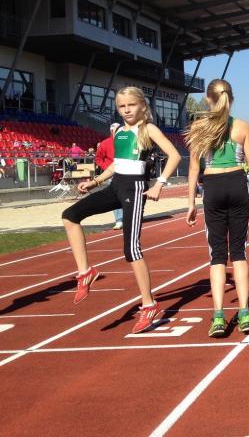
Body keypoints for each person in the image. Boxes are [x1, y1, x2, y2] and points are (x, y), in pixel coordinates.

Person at [61, 87, 181, 333]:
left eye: (131, 105)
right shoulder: (119, 132)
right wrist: (95, 181)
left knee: (132, 249)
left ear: (142, 106)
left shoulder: (148, 129)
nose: (126, 110)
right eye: (121, 106)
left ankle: (149, 304)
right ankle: (85, 272)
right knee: (70, 216)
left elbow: (174, 155)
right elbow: (116, 164)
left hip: (134, 189)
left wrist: (159, 184)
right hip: (115, 186)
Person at [185, 79, 249, 337]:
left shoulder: (199, 127)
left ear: (208, 99)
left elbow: (193, 169)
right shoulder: (242, 126)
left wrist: (190, 203)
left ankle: (219, 316)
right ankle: (244, 313)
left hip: (213, 187)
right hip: (237, 185)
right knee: (239, 253)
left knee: (217, 256)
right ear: (231, 99)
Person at [95, 123, 124, 230]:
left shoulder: (126, 141)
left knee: (127, 196)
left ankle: (128, 217)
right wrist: (107, 168)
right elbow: (98, 159)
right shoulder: (105, 143)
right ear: (111, 131)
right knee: (115, 197)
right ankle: (119, 220)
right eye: (115, 130)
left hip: (126, 173)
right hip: (112, 175)